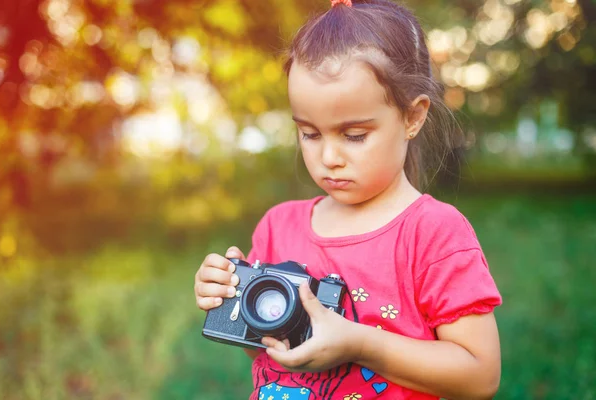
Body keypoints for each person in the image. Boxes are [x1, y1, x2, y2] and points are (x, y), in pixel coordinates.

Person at [194, 0, 502, 398]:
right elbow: (271, 353)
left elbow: (480, 377)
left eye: (354, 135)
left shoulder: (432, 233)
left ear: (413, 117)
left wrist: (360, 344)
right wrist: (223, 294)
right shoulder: (279, 225)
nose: (328, 158)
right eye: (309, 133)